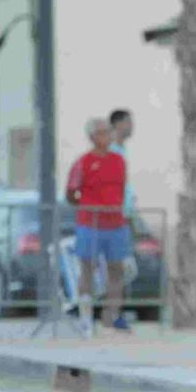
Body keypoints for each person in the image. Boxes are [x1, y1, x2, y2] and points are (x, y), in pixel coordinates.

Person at [66, 117, 130, 334]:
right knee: (87, 269)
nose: (106, 136)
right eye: (101, 132)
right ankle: (86, 317)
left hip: (115, 223)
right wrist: (87, 206)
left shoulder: (118, 161)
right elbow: (71, 192)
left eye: (108, 131)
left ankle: (111, 316)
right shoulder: (83, 162)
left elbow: (121, 190)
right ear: (92, 137)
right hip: (89, 224)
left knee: (117, 270)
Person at [108, 109, 137, 222]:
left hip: (126, 212)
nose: (132, 126)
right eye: (128, 122)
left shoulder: (121, 150)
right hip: (117, 214)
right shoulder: (111, 150)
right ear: (118, 124)